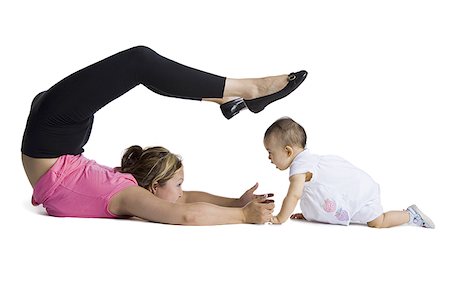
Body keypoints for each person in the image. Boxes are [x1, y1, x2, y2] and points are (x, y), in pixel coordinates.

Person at [21, 46, 307, 225]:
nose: (183, 191)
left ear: (155, 186)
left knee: (139, 61)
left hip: (52, 140)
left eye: (180, 183)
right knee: (49, 97)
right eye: (180, 184)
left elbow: (186, 213)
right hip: (61, 143)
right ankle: (222, 98)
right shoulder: (134, 190)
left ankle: (247, 91)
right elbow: (184, 202)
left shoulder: (129, 196)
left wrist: (243, 217)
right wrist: (236, 203)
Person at [264, 117, 435, 228]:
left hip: (359, 192)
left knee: (378, 221)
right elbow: (317, 192)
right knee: (374, 221)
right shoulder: (307, 161)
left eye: (270, 152)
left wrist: (280, 218)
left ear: (288, 151)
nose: (269, 158)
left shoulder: (299, 167)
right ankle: (408, 215)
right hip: (353, 188)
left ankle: (409, 215)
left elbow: (293, 196)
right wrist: (311, 214)